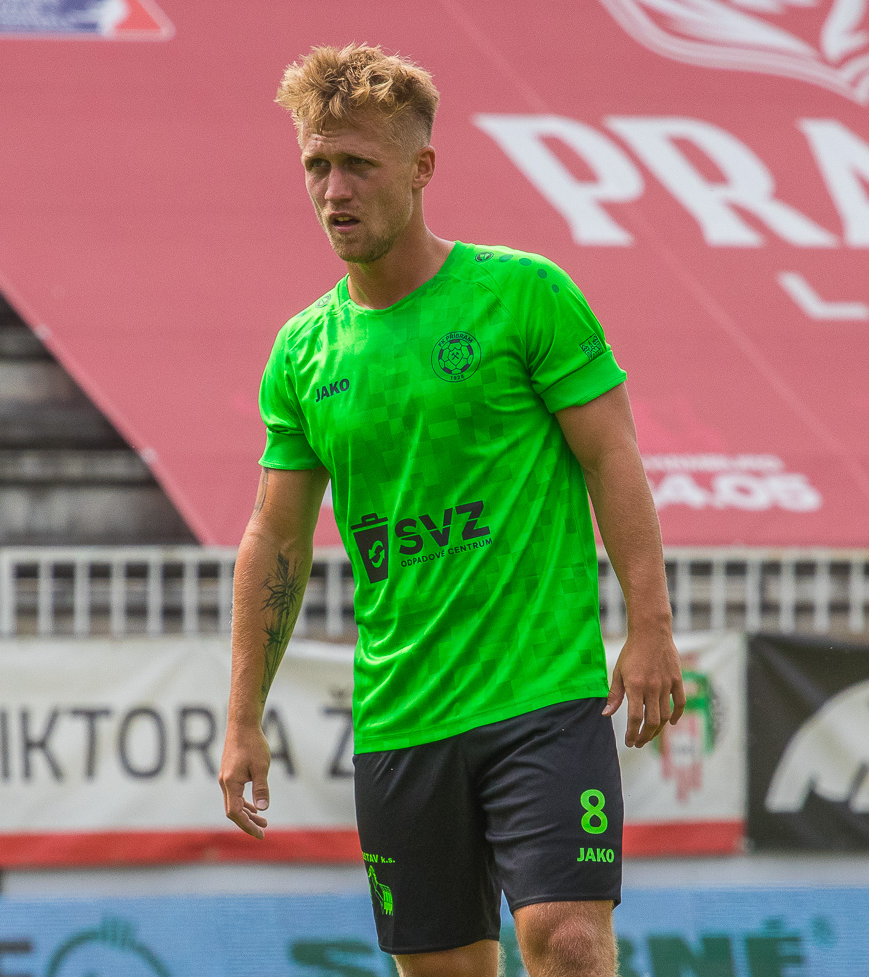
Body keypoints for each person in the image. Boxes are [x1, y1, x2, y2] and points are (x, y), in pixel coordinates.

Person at [219, 44, 685, 977]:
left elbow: (613, 457)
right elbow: (276, 536)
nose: (334, 190)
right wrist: (241, 716)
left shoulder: (524, 296)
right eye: (317, 164)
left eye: (359, 163)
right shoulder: (303, 353)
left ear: (422, 168)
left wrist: (651, 625)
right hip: (402, 717)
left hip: (542, 697)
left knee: (568, 939)